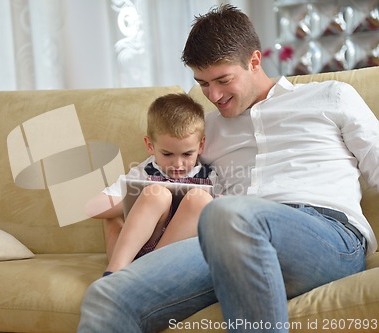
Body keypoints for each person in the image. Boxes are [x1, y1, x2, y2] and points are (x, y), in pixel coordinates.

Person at [78, 4, 379, 333]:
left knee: (227, 214)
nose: (214, 95)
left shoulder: (331, 96)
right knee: (106, 297)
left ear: (254, 61)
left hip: (324, 236)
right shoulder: (202, 132)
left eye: (223, 80)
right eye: (203, 83)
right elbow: (162, 176)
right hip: (223, 242)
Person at [85, 93, 219, 276]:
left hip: (171, 254)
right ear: (150, 145)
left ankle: (149, 272)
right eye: (167, 154)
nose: (178, 164)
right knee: (155, 194)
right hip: (134, 249)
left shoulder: (209, 176)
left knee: (201, 199)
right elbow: (93, 209)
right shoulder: (143, 171)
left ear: (201, 146)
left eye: (187, 154)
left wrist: (218, 202)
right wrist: (138, 196)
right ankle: (113, 274)